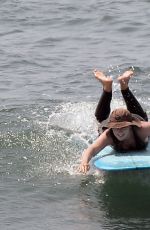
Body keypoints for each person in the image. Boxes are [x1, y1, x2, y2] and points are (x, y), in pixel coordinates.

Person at [79, 70, 150, 174]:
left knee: (142, 116)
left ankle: (123, 85)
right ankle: (108, 86)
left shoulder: (142, 129)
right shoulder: (108, 135)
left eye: (123, 127)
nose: (119, 131)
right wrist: (84, 162)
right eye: (116, 128)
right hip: (117, 120)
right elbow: (92, 149)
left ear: (131, 126)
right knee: (101, 119)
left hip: (134, 118)